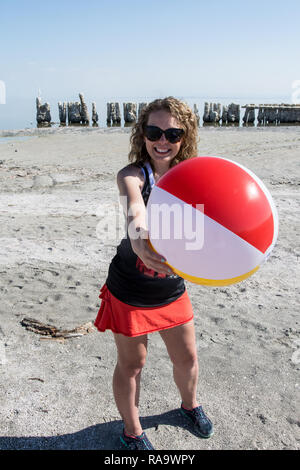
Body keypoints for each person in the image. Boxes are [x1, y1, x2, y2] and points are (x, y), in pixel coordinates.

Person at [94, 97, 213, 450]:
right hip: (130, 286)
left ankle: (189, 406)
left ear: (185, 136)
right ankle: (132, 431)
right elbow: (135, 208)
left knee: (188, 357)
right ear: (142, 134)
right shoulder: (133, 174)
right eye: (154, 131)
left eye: (173, 133)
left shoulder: (193, 175)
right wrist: (141, 239)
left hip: (171, 286)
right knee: (133, 363)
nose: (163, 140)